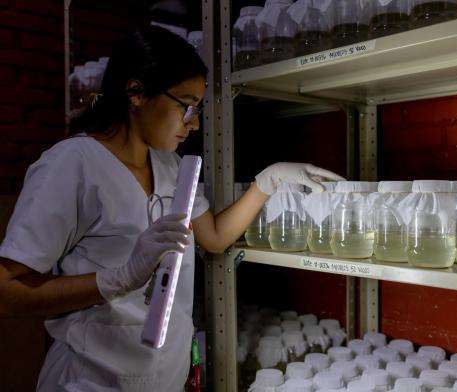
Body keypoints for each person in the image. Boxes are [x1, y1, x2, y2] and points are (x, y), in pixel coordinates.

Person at [0, 26, 344, 391]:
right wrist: (117, 279)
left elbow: (212, 238)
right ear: (136, 92)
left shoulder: (171, 167)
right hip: (92, 380)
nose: (194, 123)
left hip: (165, 377)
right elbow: (8, 291)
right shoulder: (72, 165)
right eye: (186, 105)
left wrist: (266, 182)